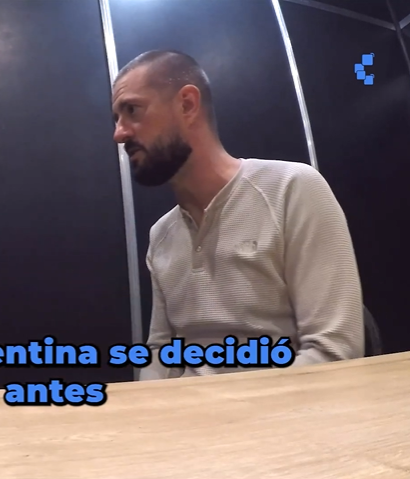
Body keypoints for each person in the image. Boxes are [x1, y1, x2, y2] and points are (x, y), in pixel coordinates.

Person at [110, 50, 364, 379]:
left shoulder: (292, 189)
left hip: (286, 409)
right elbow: (160, 354)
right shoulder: (161, 236)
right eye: (116, 118)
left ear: (187, 105)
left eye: (132, 110)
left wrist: (219, 405)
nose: (119, 134)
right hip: (191, 410)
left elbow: (335, 351)